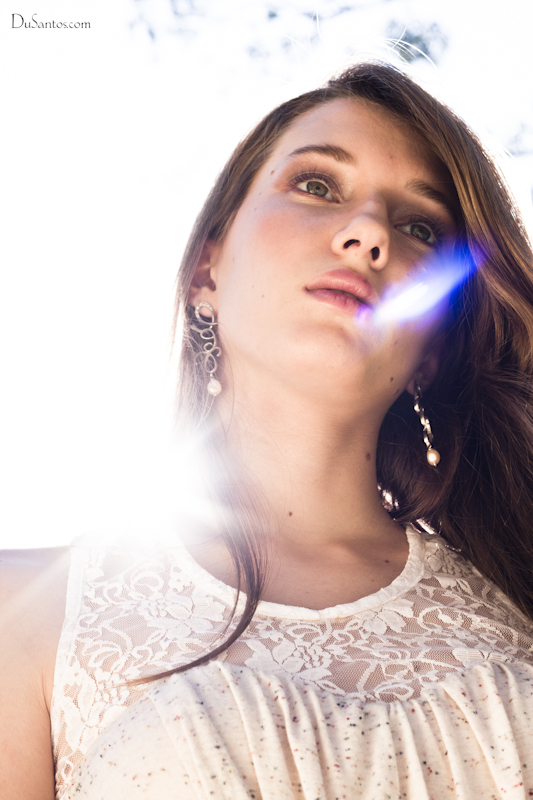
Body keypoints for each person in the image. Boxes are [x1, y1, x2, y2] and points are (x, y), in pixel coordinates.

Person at [2, 61, 533, 800]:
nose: (367, 233)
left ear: (434, 343)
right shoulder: (21, 613)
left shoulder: (516, 606)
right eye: (316, 185)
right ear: (206, 272)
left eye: (418, 227)